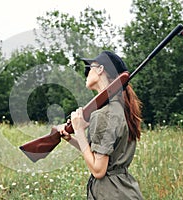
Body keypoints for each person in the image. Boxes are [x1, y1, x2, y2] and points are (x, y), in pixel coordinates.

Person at [59, 50, 143, 199]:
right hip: (124, 190)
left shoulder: (104, 114)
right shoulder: (120, 108)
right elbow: (103, 153)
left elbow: (98, 170)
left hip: (110, 193)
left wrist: (79, 131)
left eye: (88, 68)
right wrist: (71, 139)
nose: (86, 73)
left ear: (100, 69)